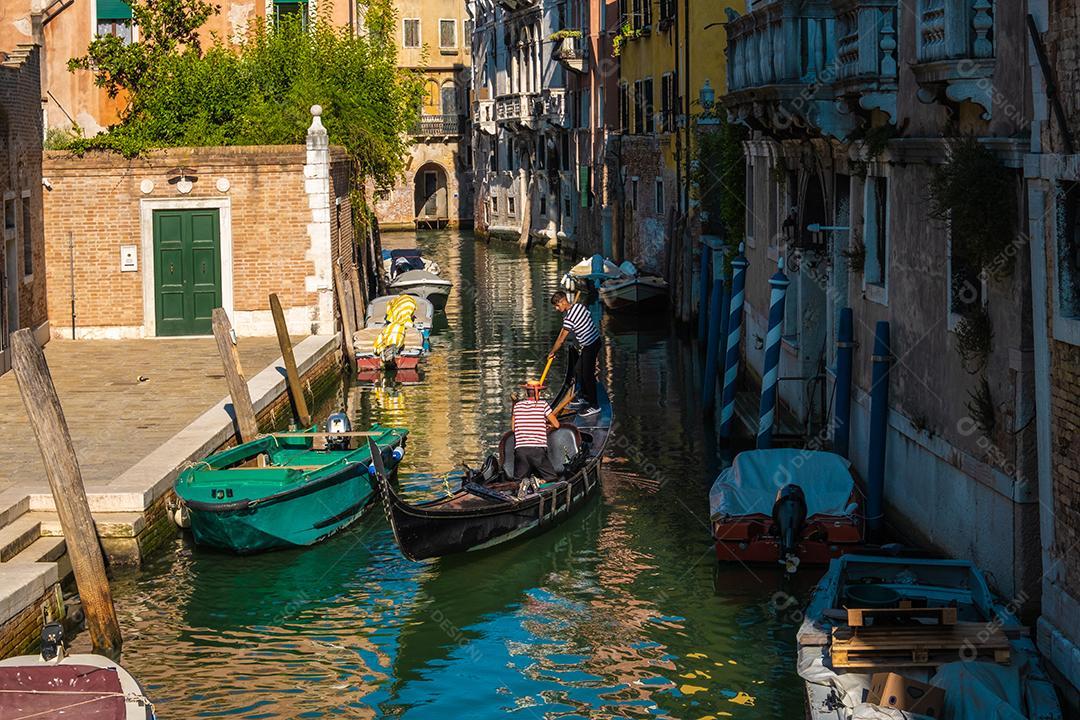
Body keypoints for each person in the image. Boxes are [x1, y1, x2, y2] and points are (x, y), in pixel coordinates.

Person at [548, 290, 601, 417]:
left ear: (562, 302)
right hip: (595, 341)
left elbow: (561, 340)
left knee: (587, 375)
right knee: (578, 369)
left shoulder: (569, 319)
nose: (556, 308)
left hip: (590, 345)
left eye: (557, 305)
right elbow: (584, 318)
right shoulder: (579, 307)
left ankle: (594, 405)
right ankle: (583, 395)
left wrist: (552, 352)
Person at [511, 381, 560, 486]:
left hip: (521, 451)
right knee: (552, 478)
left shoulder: (517, 406)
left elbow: (513, 428)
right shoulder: (543, 405)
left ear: (526, 393)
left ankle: (525, 485)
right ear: (539, 393)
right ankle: (539, 481)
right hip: (537, 450)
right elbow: (556, 424)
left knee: (518, 482)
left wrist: (513, 404)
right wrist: (547, 426)